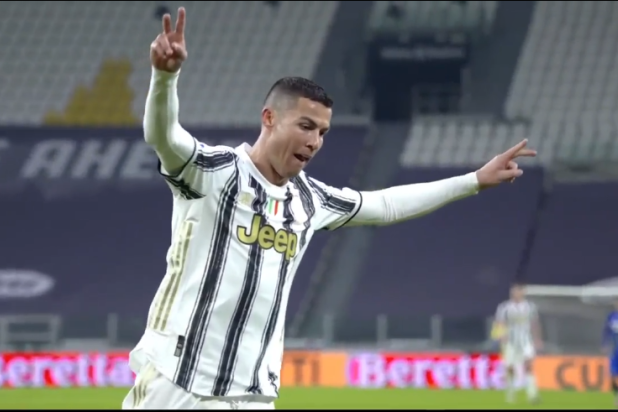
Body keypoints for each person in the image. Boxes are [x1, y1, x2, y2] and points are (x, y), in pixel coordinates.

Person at [122, 7, 537, 410]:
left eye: (322, 132)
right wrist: (165, 78)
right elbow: (163, 135)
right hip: (179, 383)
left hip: (251, 394)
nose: (315, 141)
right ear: (269, 118)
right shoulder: (213, 172)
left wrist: (473, 180)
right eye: (305, 126)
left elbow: (385, 205)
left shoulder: (310, 200)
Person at [492, 283, 543, 404]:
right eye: (514, 291)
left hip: (526, 340)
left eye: (518, 291)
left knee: (529, 365)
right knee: (510, 368)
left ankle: (532, 394)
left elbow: (535, 323)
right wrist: (501, 336)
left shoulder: (530, 307)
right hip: (510, 341)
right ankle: (511, 393)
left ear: (523, 293)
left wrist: (537, 339)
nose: (516, 294)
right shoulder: (504, 307)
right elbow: (500, 323)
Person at [602, 299, 618, 408]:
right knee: (613, 374)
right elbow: (606, 331)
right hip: (614, 349)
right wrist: (605, 344)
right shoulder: (611, 316)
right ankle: (616, 395)